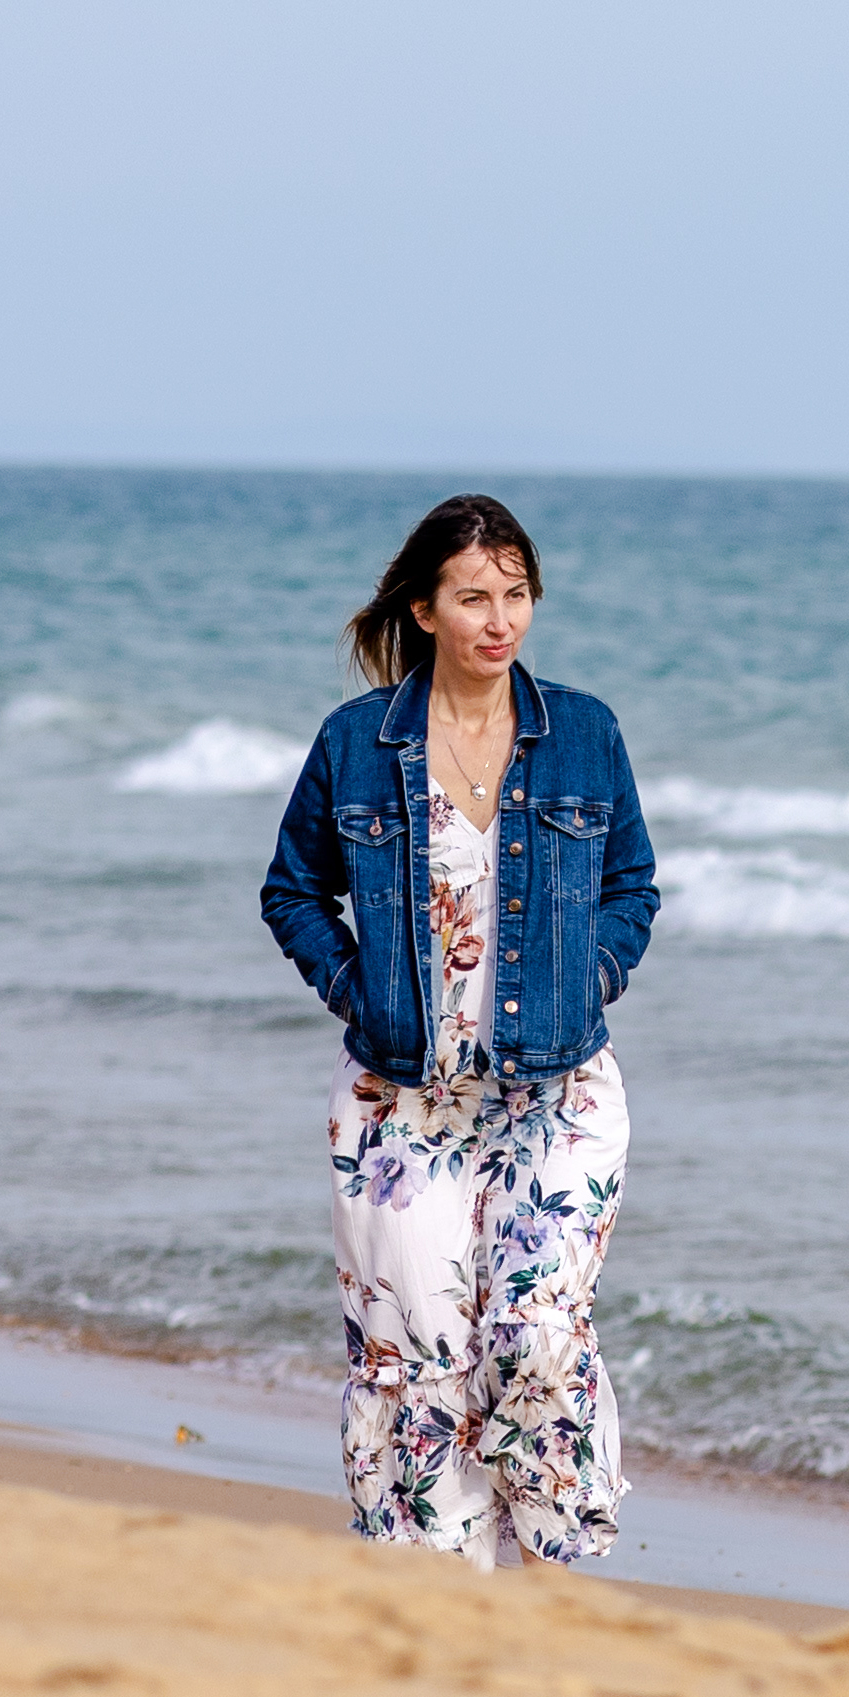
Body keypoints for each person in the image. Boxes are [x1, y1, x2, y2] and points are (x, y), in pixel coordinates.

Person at [258, 495, 660, 1567]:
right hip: (401, 1107)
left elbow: (634, 885)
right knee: (424, 1356)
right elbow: (293, 890)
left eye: (516, 594)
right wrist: (360, 993)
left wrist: (596, 975)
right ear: (425, 607)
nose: (500, 620)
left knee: (534, 1338)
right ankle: (445, 1595)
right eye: (473, 596)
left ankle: (560, 1565)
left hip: (558, 1094)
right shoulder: (356, 743)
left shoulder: (584, 732)